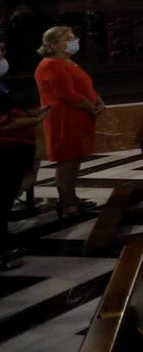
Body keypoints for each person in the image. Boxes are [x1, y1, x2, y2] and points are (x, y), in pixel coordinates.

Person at [33, 26, 104, 217]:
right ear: (53, 44)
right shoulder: (51, 64)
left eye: (74, 37)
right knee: (66, 161)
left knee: (74, 159)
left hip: (78, 116)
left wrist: (98, 100)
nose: (74, 41)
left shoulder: (68, 62)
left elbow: (84, 85)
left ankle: (72, 197)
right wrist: (90, 106)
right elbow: (66, 93)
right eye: (69, 38)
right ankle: (66, 203)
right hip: (64, 118)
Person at [0, 42, 50, 269]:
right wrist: (32, 120)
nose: (3, 56)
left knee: (7, 196)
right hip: (5, 150)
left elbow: (11, 108)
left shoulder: (3, 84)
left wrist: (29, 114)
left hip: (16, 149)